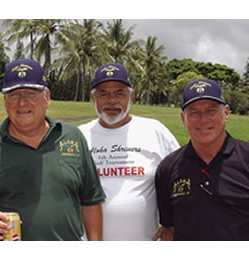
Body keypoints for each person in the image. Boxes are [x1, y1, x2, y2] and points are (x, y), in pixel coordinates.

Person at [0, 58, 106, 241]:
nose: (22, 103)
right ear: (5, 101)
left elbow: (91, 199)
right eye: (14, 95)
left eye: (30, 93)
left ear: (47, 97)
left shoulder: (72, 137)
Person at [78, 63, 180, 240]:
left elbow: (181, 181)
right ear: (93, 99)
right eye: (103, 93)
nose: (111, 100)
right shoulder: (78, 136)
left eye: (119, 93)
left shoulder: (155, 131)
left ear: (131, 96)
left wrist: (171, 224)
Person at [155, 78, 249, 240]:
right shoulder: (168, 168)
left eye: (211, 111)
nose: (203, 119)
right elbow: (168, 227)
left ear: (226, 113)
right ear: (183, 118)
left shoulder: (245, 158)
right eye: (193, 112)